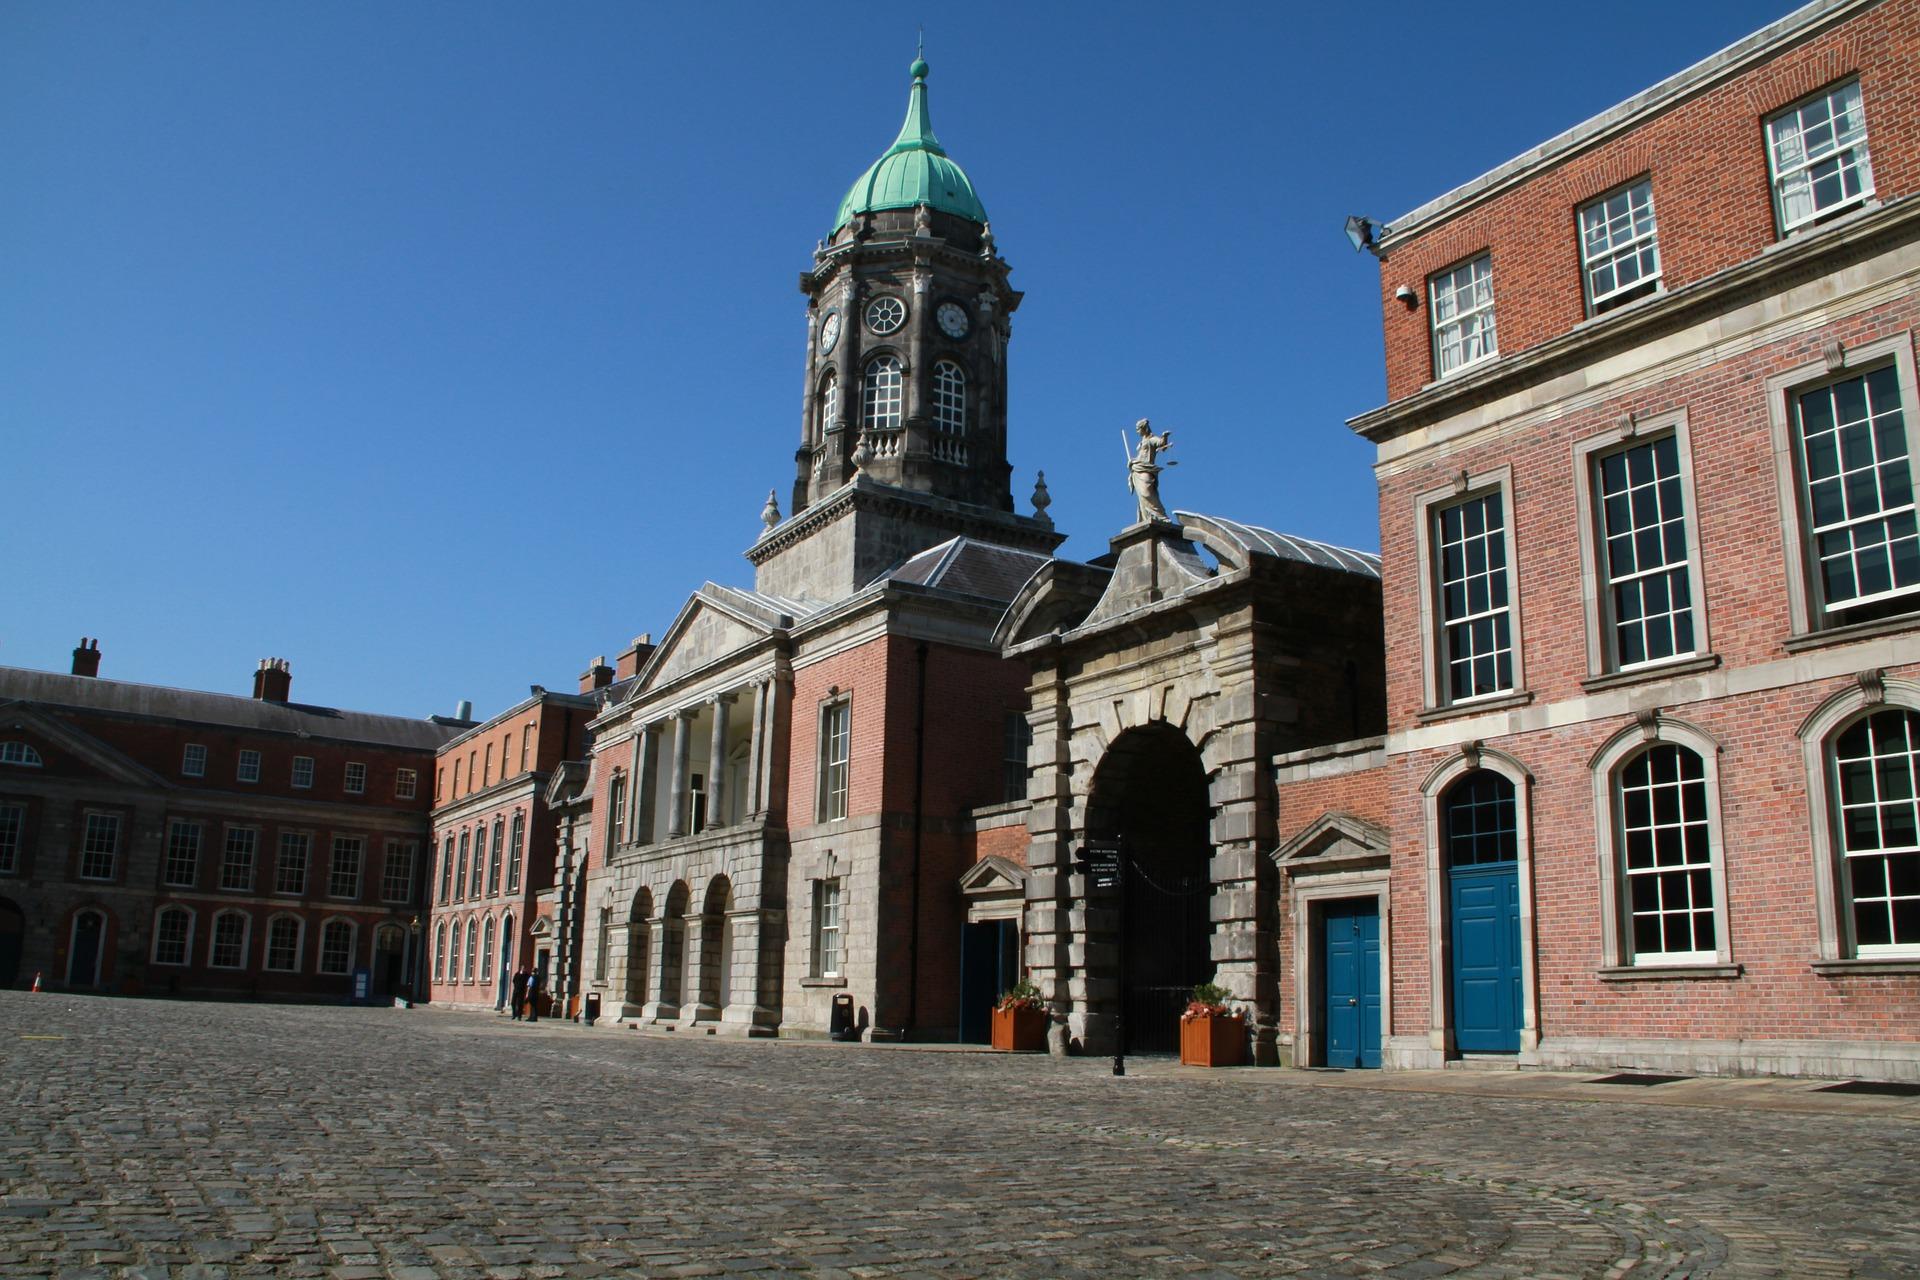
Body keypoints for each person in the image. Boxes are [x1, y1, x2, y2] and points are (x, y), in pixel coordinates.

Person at [1127, 417, 1174, 523]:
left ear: (1143, 428)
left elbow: (1161, 444)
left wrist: (1165, 436)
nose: (1137, 432)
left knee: (1147, 492)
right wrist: (1133, 461)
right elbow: (1140, 457)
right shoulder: (1141, 442)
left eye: (1138, 429)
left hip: (1146, 470)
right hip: (1137, 470)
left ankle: (1161, 515)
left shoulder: (1151, 439)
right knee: (1142, 497)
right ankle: (1146, 517)